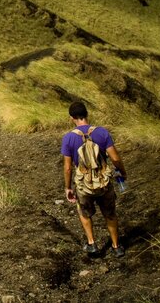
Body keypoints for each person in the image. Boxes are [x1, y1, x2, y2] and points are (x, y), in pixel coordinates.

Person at [61, 101, 127, 257]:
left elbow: (68, 167)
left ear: (72, 118)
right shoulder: (102, 132)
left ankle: (92, 244)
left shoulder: (68, 138)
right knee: (110, 214)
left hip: (84, 184)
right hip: (103, 181)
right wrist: (122, 172)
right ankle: (116, 246)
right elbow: (115, 158)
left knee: (84, 213)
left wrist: (68, 187)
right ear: (87, 114)